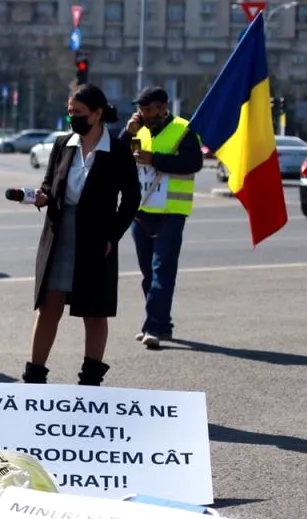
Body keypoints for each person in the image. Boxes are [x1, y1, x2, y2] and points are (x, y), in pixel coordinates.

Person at [23, 84, 140, 386]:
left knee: (95, 310)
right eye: (70, 111)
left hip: (96, 238)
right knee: (49, 306)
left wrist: (112, 236)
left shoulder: (118, 151)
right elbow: (50, 186)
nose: (72, 117)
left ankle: (90, 381)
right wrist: (40, 196)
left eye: (78, 112)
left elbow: (131, 199)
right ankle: (34, 376)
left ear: (98, 114)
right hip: (59, 234)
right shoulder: (63, 144)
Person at [118, 86, 203, 350]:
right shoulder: (138, 129)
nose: (143, 113)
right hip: (141, 211)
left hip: (170, 213)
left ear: (163, 108)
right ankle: (162, 323)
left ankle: (152, 326)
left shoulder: (183, 129)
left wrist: (155, 159)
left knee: (161, 271)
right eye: (140, 108)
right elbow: (115, 158)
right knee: (147, 273)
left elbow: (193, 163)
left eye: (149, 109)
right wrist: (126, 133)